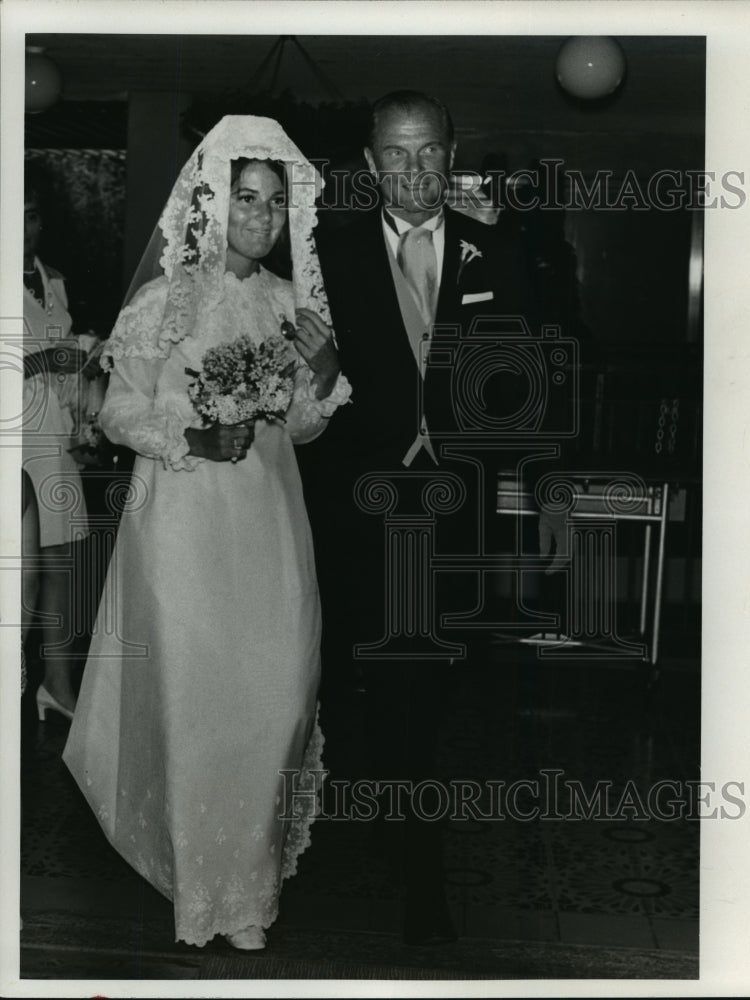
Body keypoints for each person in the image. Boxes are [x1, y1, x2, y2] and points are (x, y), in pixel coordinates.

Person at [63, 116, 351, 951]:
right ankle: (202, 896)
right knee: (198, 707)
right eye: (245, 199)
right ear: (209, 203)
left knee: (276, 696)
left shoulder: (287, 306)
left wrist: (324, 372)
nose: (260, 217)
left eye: (273, 203)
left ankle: (250, 888)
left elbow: (303, 427)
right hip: (185, 526)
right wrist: (188, 436)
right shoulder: (166, 300)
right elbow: (116, 411)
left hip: (268, 526)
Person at [300, 90, 536, 945]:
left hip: (452, 522)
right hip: (352, 520)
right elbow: (303, 391)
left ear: (450, 152)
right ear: (370, 166)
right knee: (362, 694)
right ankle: (380, 857)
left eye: (427, 151)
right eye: (395, 155)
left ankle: (409, 858)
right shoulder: (325, 253)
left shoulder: (497, 251)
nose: (412, 171)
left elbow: (529, 383)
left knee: (421, 698)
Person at [22, 168, 101, 719]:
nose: (25, 226)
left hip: (56, 433)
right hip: (13, 436)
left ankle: (57, 685)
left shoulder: (54, 279)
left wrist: (83, 366)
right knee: (18, 569)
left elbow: (65, 354)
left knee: (61, 566)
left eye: (30, 215)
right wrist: (46, 360)